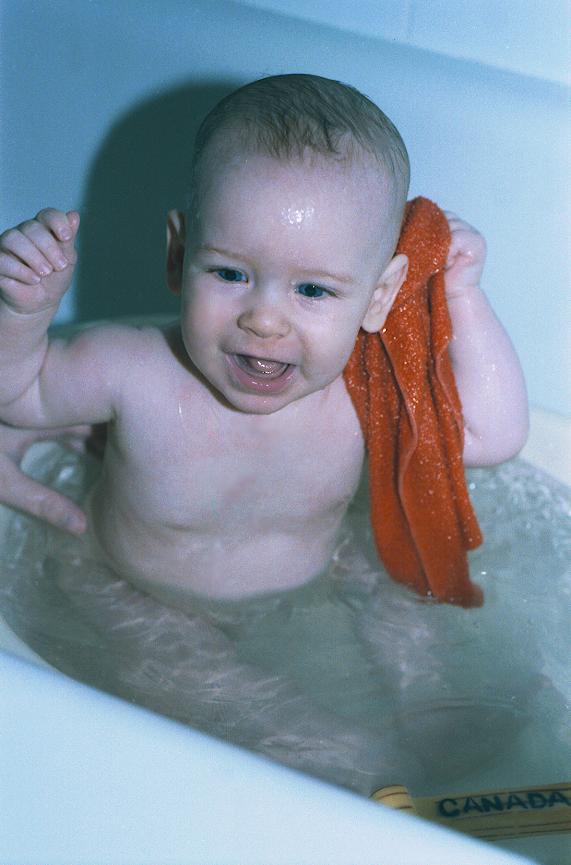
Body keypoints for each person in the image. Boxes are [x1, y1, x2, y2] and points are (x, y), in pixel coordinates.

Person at [0, 74, 529, 791]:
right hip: (136, 590)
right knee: (223, 689)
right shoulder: (132, 369)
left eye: (312, 289)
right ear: (178, 255)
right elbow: (20, 394)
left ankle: (434, 710)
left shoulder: (360, 392)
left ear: (378, 295)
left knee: (401, 606)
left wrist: (462, 295)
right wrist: (24, 313)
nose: (264, 319)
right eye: (230, 273)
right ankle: (346, 762)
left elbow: (493, 436)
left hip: (320, 571)